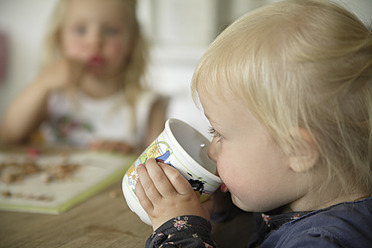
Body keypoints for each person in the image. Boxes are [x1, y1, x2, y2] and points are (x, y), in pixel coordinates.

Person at [134, 0, 372, 247]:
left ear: (297, 150)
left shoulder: (323, 242)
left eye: (220, 134)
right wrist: (225, 200)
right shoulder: (310, 194)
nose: (212, 150)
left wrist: (179, 232)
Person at [0, 0, 166, 153]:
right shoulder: (51, 92)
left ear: (132, 43)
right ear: (59, 40)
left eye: (111, 31)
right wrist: (42, 83)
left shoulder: (149, 105)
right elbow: (7, 136)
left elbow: (157, 168)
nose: (94, 42)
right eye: (80, 30)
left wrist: (131, 157)